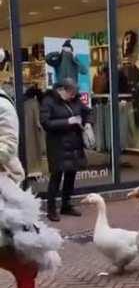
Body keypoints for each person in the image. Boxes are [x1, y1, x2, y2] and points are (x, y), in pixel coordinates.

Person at [0, 51, 62, 288]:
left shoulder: (2, 104)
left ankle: (25, 274)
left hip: (2, 181)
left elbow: (8, 145)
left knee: (7, 241)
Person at [40, 78, 91, 222]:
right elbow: (45, 123)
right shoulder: (48, 101)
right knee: (56, 177)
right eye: (71, 93)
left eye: (75, 93)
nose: (73, 96)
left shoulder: (75, 100)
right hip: (57, 145)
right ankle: (51, 209)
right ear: (61, 90)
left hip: (74, 144)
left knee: (71, 176)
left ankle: (66, 205)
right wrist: (68, 122)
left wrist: (87, 123)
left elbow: (87, 112)